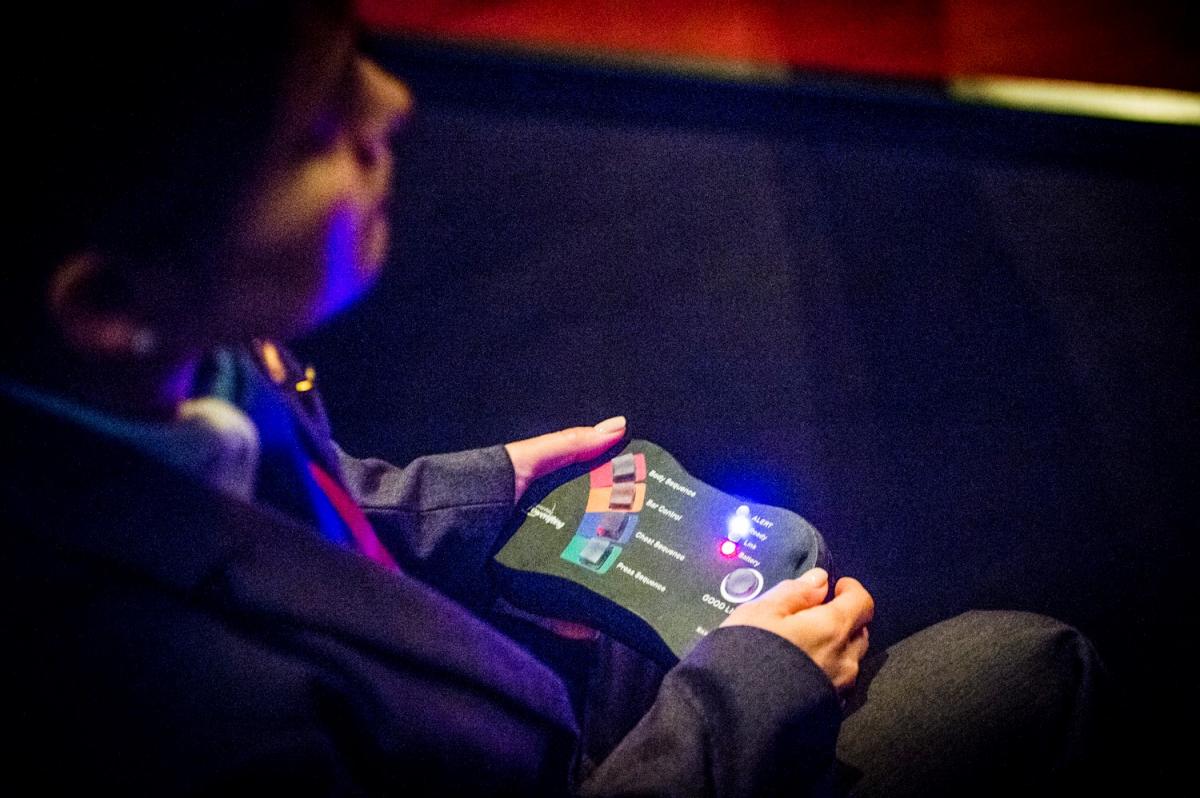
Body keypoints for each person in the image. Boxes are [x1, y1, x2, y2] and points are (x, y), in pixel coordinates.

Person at [4, 1, 1108, 794]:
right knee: (1015, 666)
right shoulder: (189, 723)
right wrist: (742, 705)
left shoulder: (168, 369)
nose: (390, 105)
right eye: (316, 133)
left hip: (481, 711)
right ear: (108, 298)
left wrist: (473, 497)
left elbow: (282, 505)